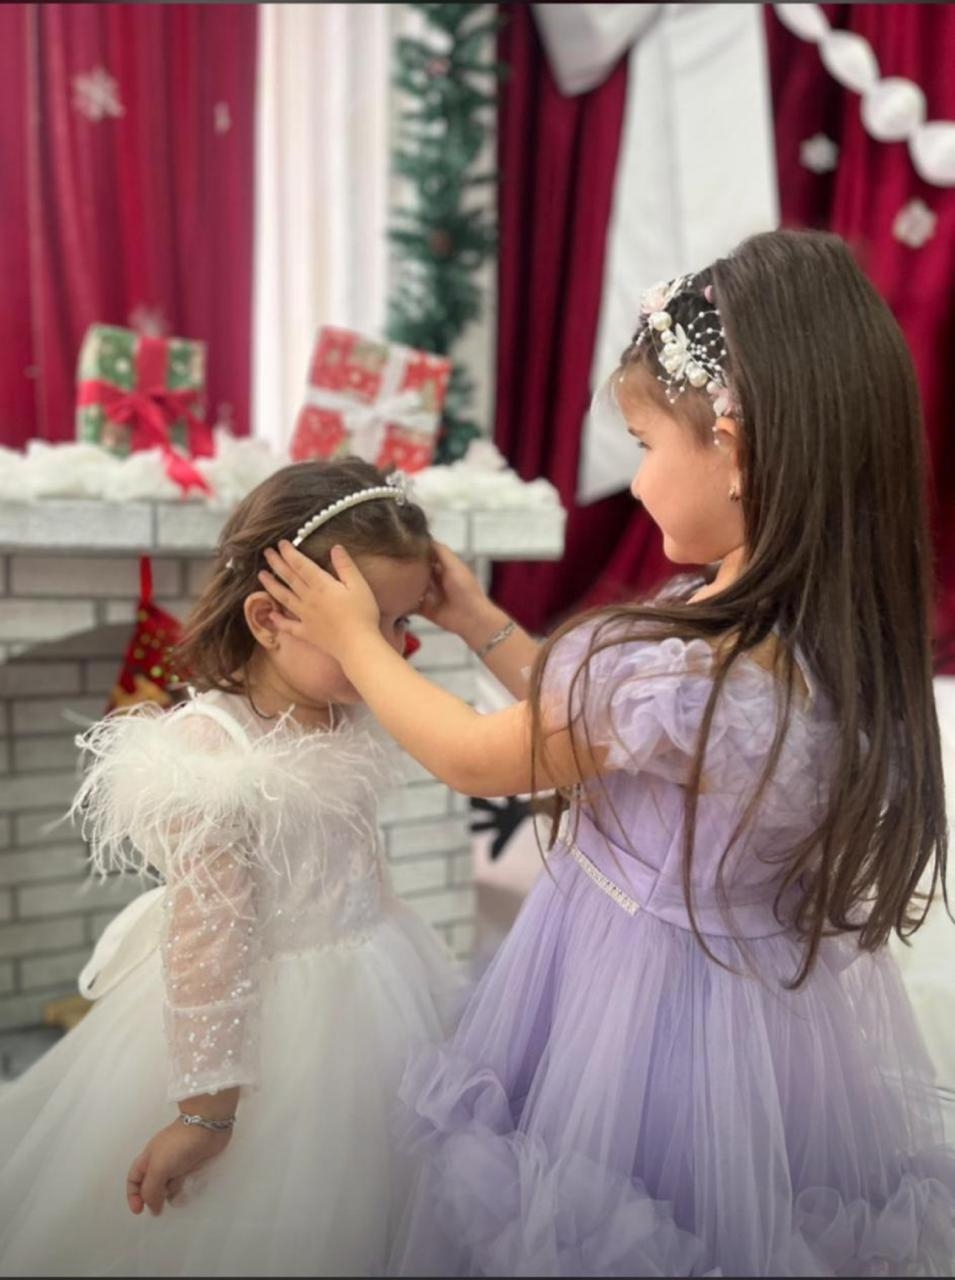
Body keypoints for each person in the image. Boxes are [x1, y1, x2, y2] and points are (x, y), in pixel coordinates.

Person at [258, 231, 955, 1275]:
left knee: (604, 1229)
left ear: (734, 448)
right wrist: (480, 622)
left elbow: (478, 756)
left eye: (641, 444)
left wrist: (356, 638)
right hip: (757, 1028)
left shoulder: (701, 668)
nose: (632, 485)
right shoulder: (796, 643)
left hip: (637, 1028)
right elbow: (595, 724)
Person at [0, 458, 462, 1278]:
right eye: (370, 627)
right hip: (262, 1016)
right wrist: (206, 1114)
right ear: (269, 618)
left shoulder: (339, 712)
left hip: (375, 974)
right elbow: (209, 943)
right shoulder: (212, 756)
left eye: (398, 625)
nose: (392, 651)